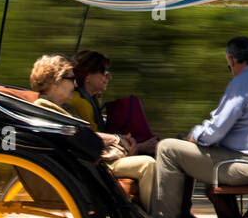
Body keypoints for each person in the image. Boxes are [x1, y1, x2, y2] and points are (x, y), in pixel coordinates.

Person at [147, 36, 248, 218]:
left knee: (168, 149)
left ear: (231, 60)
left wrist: (195, 136)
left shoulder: (243, 81)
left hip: (243, 165)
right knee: (182, 146)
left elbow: (217, 129)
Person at [28, 54, 156, 208]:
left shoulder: (62, 108)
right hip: (87, 165)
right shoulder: (46, 108)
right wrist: (116, 139)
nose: (75, 85)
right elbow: (78, 135)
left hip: (88, 162)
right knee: (147, 165)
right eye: (71, 80)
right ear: (56, 81)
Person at [68, 50, 158, 155]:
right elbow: (94, 141)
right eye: (103, 72)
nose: (109, 77)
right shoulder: (81, 103)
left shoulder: (89, 100)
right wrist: (140, 147)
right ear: (87, 76)